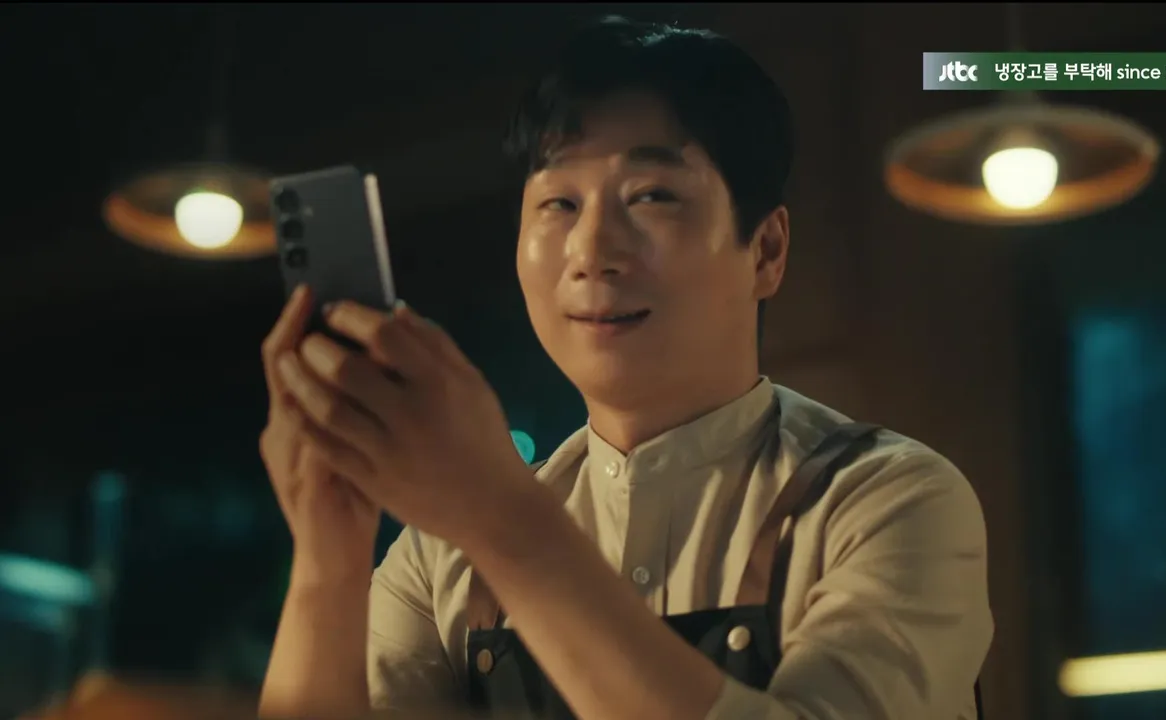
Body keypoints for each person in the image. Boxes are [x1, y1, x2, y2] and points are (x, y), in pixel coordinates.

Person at [257, 15, 993, 720]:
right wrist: (328, 551)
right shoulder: (439, 558)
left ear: (766, 250)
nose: (590, 251)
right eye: (558, 203)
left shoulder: (886, 501)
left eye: (651, 196)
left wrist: (500, 513)